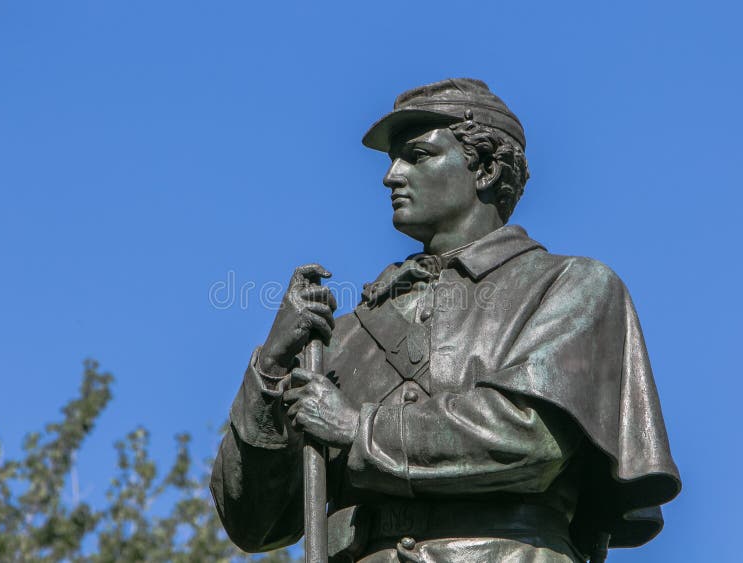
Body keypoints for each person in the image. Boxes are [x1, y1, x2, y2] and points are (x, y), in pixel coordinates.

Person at [210, 78, 680, 562]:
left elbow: (530, 439)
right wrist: (270, 368)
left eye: (417, 156)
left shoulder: (570, 287)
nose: (390, 176)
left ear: (486, 169)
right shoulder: (347, 334)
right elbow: (254, 523)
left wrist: (357, 428)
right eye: (393, 159)